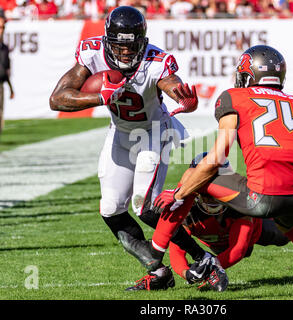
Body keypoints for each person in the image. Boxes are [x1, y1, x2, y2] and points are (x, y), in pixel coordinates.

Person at [124, 45, 293, 298]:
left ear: (247, 75)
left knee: (197, 174)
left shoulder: (235, 98)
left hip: (260, 196)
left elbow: (217, 158)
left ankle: (155, 254)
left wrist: (178, 193)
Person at [49, 6, 207, 291]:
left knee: (144, 207)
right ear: (107, 40)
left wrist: (183, 98)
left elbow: (171, 83)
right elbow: (57, 99)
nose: (125, 53)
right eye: (119, 46)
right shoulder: (92, 53)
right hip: (120, 133)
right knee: (110, 208)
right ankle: (159, 273)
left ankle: (203, 259)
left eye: (131, 46)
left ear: (142, 42)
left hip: (153, 132)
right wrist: (99, 97)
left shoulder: (155, 61)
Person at [168, 153, 290, 289]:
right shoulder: (187, 208)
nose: (209, 196)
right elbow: (176, 251)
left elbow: (238, 249)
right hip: (215, 244)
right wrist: (188, 274)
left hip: (253, 234)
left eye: (215, 183)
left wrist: (210, 266)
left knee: (287, 233)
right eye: (204, 185)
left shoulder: (239, 201)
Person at [0, 13, 14, 138]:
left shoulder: (4, 48)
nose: (1, 31)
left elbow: (6, 70)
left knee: (0, 114)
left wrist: (10, 88)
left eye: (3, 28)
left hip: (1, 85)